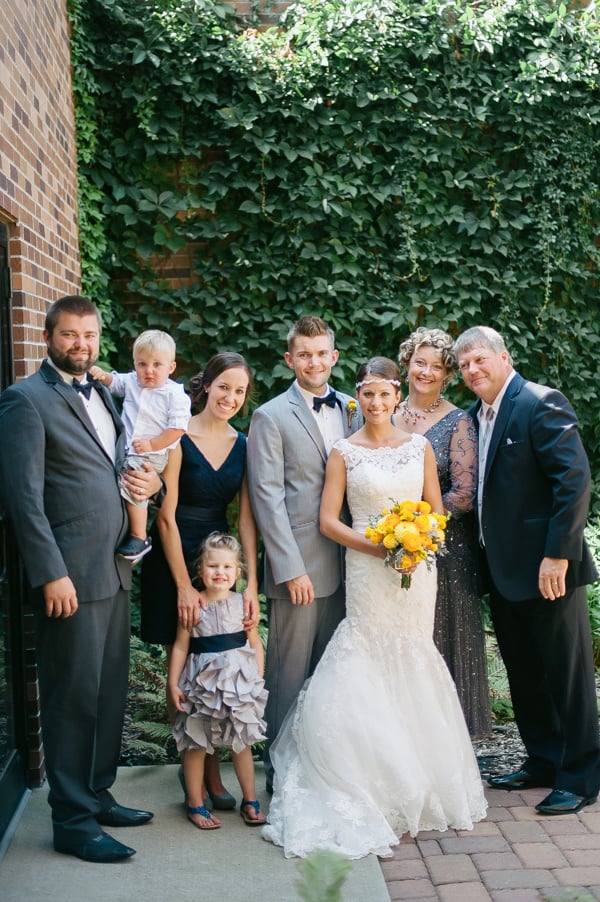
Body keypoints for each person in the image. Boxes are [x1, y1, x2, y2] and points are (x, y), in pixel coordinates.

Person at [262, 357, 487, 859]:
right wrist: (379, 546)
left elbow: (435, 509)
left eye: (386, 395)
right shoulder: (344, 452)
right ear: (358, 399)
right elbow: (327, 521)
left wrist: (416, 544)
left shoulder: (420, 447)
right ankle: (363, 773)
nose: (378, 404)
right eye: (368, 396)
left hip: (416, 569)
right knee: (365, 650)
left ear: (396, 398)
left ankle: (419, 774)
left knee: (412, 653)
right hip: (368, 570)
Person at [0, 295, 163, 863]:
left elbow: (117, 464)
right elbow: (22, 499)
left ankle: (96, 794)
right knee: (71, 699)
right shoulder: (25, 401)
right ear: (49, 337)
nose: (81, 344)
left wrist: (146, 488)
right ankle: (72, 822)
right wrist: (51, 575)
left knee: (107, 691)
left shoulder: (106, 394)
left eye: (89, 335)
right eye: (70, 335)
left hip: (114, 568)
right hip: (69, 577)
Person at [455, 325, 600, 815]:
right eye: (464, 365)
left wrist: (558, 554)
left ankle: (581, 777)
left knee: (568, 674)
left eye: (479, 360)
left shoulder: (541, 402)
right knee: (525, 672)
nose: (472, 371)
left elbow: (574, 482)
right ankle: (543, 759)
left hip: (549, 569)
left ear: (503, 356)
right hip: (502, 570)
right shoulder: (478, 415)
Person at [246, 315, 361, 794]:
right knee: (289, 674)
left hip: (352, 567)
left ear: (333, 357)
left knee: (333, 675)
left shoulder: (356, 410)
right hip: (301, 569)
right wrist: (289, 569)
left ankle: (322, 767)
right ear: (290, 359)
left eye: (322, 353)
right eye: (304, 354)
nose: (314, 362)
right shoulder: (270, 416)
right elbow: (266, 498)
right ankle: (281, 772)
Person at [141, 351, 259, 810]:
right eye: (224, 386)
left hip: (217, 562)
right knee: (187, 668)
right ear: (206, 385)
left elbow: (246, 519)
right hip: (175, 555)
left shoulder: (244, 445)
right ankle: (197, 772)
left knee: (217, 660)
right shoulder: (179, 435)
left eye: (240, 390)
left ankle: (212, 775)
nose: (231, 396)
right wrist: (184, 587)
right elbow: (165, 518)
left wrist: (248, 582)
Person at [397, 327, 492, 738]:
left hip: (445, 549)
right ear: (406, 363)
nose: (427, 372)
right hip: (388, 547)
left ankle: (446, 741)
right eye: (420, 362)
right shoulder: (383, 409)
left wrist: (418, 525)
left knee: (442, 638)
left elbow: (465, 493)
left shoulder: (458, 422)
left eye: (437, 366)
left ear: (448, 374)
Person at [168, 533, 267, 830]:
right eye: (213, 566)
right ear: (201, 570)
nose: (220, 573)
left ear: (238, 572)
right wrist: (173, 683)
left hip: (238, 685)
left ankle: (250, 800)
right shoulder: (193, 606)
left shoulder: (243, 605)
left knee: (241, 743)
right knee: (197, 743)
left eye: (227, 567)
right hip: (201, 685)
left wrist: (257, 679)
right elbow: (181, 647)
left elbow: (255, 644)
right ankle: (195, 803)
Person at [90, 329, 191, 561]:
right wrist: (99, 374)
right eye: (142, 364)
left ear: (171, 367)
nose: (149, 371)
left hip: (152, 453)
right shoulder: (133, 382)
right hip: (128, 449)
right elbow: (114, 382)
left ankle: (139, 536)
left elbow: (177, 429)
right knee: (119, 479)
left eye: (157, 364)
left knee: (134, 480)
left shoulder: (175, 395)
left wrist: (152, 444)